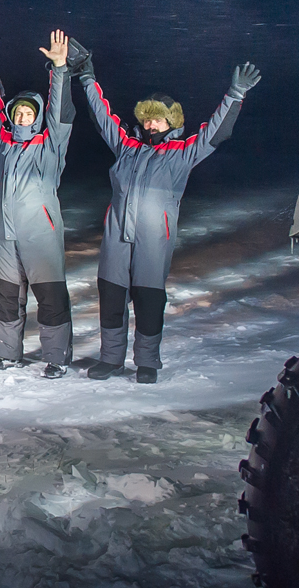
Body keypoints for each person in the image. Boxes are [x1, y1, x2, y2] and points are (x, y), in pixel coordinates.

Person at [73, 49, 262, 382]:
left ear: (171, 122)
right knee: (112, 297)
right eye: (147, 118)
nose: (151, 124)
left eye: (158, 119)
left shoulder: (182, 153)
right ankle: (111, 359)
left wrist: (235, 94)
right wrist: (87, 77)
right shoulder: (127, 147)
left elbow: (215, 133)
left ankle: (147, 363)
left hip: (153, 240)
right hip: (117, 237)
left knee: (148, 300)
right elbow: (102, 116)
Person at [0, 30, 77, 376]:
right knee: (8, 297)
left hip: (40, 235)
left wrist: (60, 69)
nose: (22, 118)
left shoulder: (50, 145)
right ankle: (8, 353)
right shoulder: (4, 142)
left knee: (50, 297)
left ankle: (56, 357)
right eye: (18, 113)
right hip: (5, 237)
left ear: (37, 117)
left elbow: (60, 111)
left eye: (28, 113)